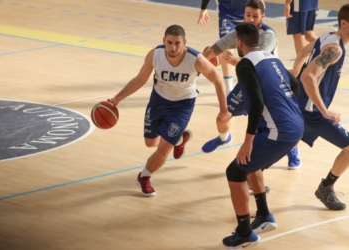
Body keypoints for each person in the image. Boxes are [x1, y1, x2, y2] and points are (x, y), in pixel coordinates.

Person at [108, 24, 230, 197]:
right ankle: (180, 139)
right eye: (170, 43)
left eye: (177, 43)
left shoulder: (196, 59)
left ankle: (144, 177)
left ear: (184, 42)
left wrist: (223, 110)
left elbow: (218, 80)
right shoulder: (155, 55)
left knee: (163, 151)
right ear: (163, 41)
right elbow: (140, 79)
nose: (173, 48)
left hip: (182, 107)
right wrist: (118, 98)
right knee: (150, 143)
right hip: (158, 101)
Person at [221, 22, 304, 249]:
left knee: (235, 170)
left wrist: (247, 142)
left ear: (239, 42)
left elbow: (256, 102)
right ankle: (265, 216)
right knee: (251, 164)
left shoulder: (245, 64)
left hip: (281, 130)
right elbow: (295, 84)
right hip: (295, 125)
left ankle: (245, 233)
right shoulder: (272, 58)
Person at [202, 0, 302, 170]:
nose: (250, 19)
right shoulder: (240, 32)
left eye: (254, 16)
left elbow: (253, 61)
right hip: (248, 82)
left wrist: (233, 61)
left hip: (270, 83)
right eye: (247, 15)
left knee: (280, 121)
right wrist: (203, 60)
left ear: (262, 16)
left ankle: (292, 150)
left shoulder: (267, 34)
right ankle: (224, 137)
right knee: (223, 115)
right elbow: (215, 48)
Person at [290, 3, 349, 210]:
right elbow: (309, 76)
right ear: (344, 23)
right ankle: (326, 187)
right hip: (312, 114)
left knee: (277, 147)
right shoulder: (334, 49)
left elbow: (304, 51)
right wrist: (325, 111)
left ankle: (248, 173)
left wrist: (294, 75)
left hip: (302, 109)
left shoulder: (328, 36)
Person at [197, 0, 264, 94]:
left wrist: (261, 6)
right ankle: (228, 89)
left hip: (248, 15)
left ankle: (253, 81)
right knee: (227, 49)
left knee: (251, 47)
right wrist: (203, 9)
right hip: (227, 15)